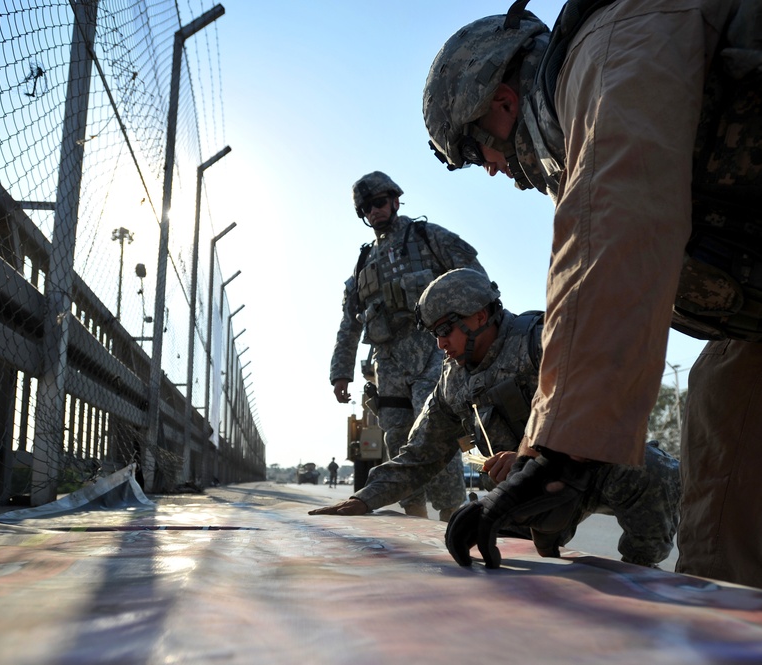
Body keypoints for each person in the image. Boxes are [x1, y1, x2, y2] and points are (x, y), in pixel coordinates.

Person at [422, 0, 762, 585]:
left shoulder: (610, 40)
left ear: (501, 103)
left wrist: (560, 457)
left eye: (478, 152)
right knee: (723, 406)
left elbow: (615, 222)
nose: (494, 170)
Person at [312, 269, 681, 568]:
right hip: (523, 495)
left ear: (480, 315)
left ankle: (639, 573)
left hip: (587, 471)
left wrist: (535, 453)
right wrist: (364, 499)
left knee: (653, 470)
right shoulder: (452, 382)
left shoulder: (540, 340)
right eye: (434, 333)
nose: (440, 344)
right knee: (486, 546)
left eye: (445, 329)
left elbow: (605, 395)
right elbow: (420, 453)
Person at [330, 171, 486, 520]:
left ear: (395, 201)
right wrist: (340, 373)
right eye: (366, 207)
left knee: (433, 430)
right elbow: (349, 322)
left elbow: (475, 278)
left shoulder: (427, 238)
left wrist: (475, 335)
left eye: (380, 202)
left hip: (434, 348)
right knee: (397, 435)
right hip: (388, 361)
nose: (374, 211)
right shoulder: (363, 265)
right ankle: (414, 519)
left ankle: (451, 517)